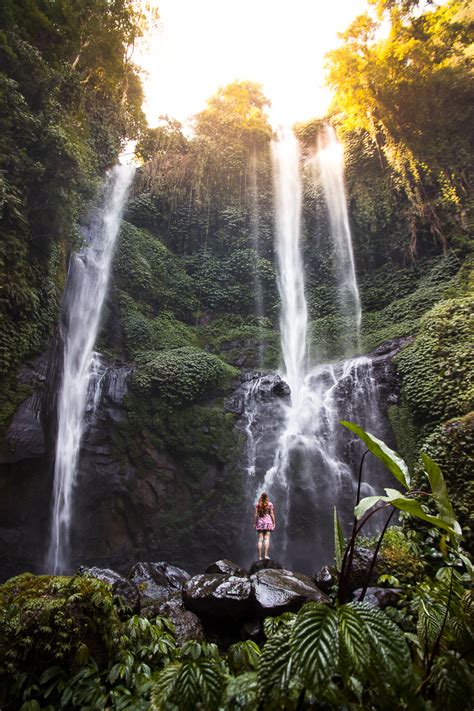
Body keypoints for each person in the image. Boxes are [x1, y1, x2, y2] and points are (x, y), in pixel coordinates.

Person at [254, 491, 276, 560]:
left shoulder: (258, 505)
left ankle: (259, 557)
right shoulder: (270, 504)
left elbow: (256, 515)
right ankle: (266, 555)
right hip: (268, 522)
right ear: (267, 498)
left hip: (260, 522)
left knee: (260, 540)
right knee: (267, 539)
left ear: (260, 497)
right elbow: (272, 514)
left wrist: (255, 523)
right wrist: (274, 522)